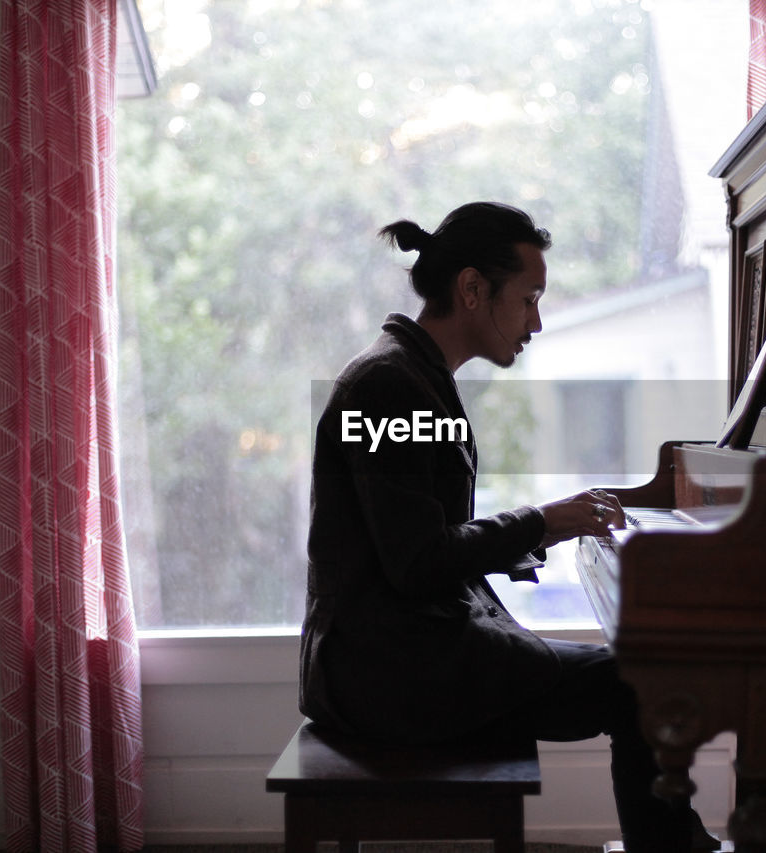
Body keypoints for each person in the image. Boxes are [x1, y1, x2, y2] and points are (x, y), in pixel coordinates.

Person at [299, 201, 715, 853]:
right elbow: (417, 563)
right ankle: (669, 846)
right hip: (384, 671)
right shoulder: (390, 386)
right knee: (639, 682)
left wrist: (534, 536)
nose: (537, 321)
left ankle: (672, 841)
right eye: (528, 299)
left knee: (633, 672)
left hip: (394, 651)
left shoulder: (412, 375)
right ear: (472, 289)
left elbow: (418, 546)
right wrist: (543, 523)